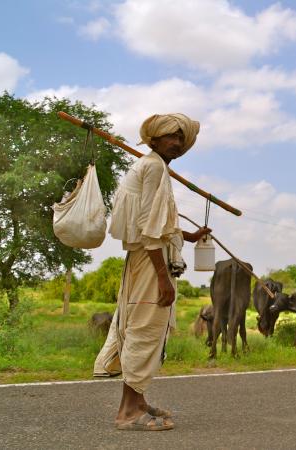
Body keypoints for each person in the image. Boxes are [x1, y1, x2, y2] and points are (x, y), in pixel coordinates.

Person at [92, 113, 211, 431]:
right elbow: (149, 231)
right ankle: (128, 414)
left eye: (180, 138)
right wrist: (163, 278)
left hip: (145, 258)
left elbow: (160, 223)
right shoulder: (155, 167)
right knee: (144, 332)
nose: (177, 142)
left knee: (145, 331)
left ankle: (138, 402)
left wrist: (190, 236)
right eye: (171, 137)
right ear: (153, 140)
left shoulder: (153, 166)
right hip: (149, 262)